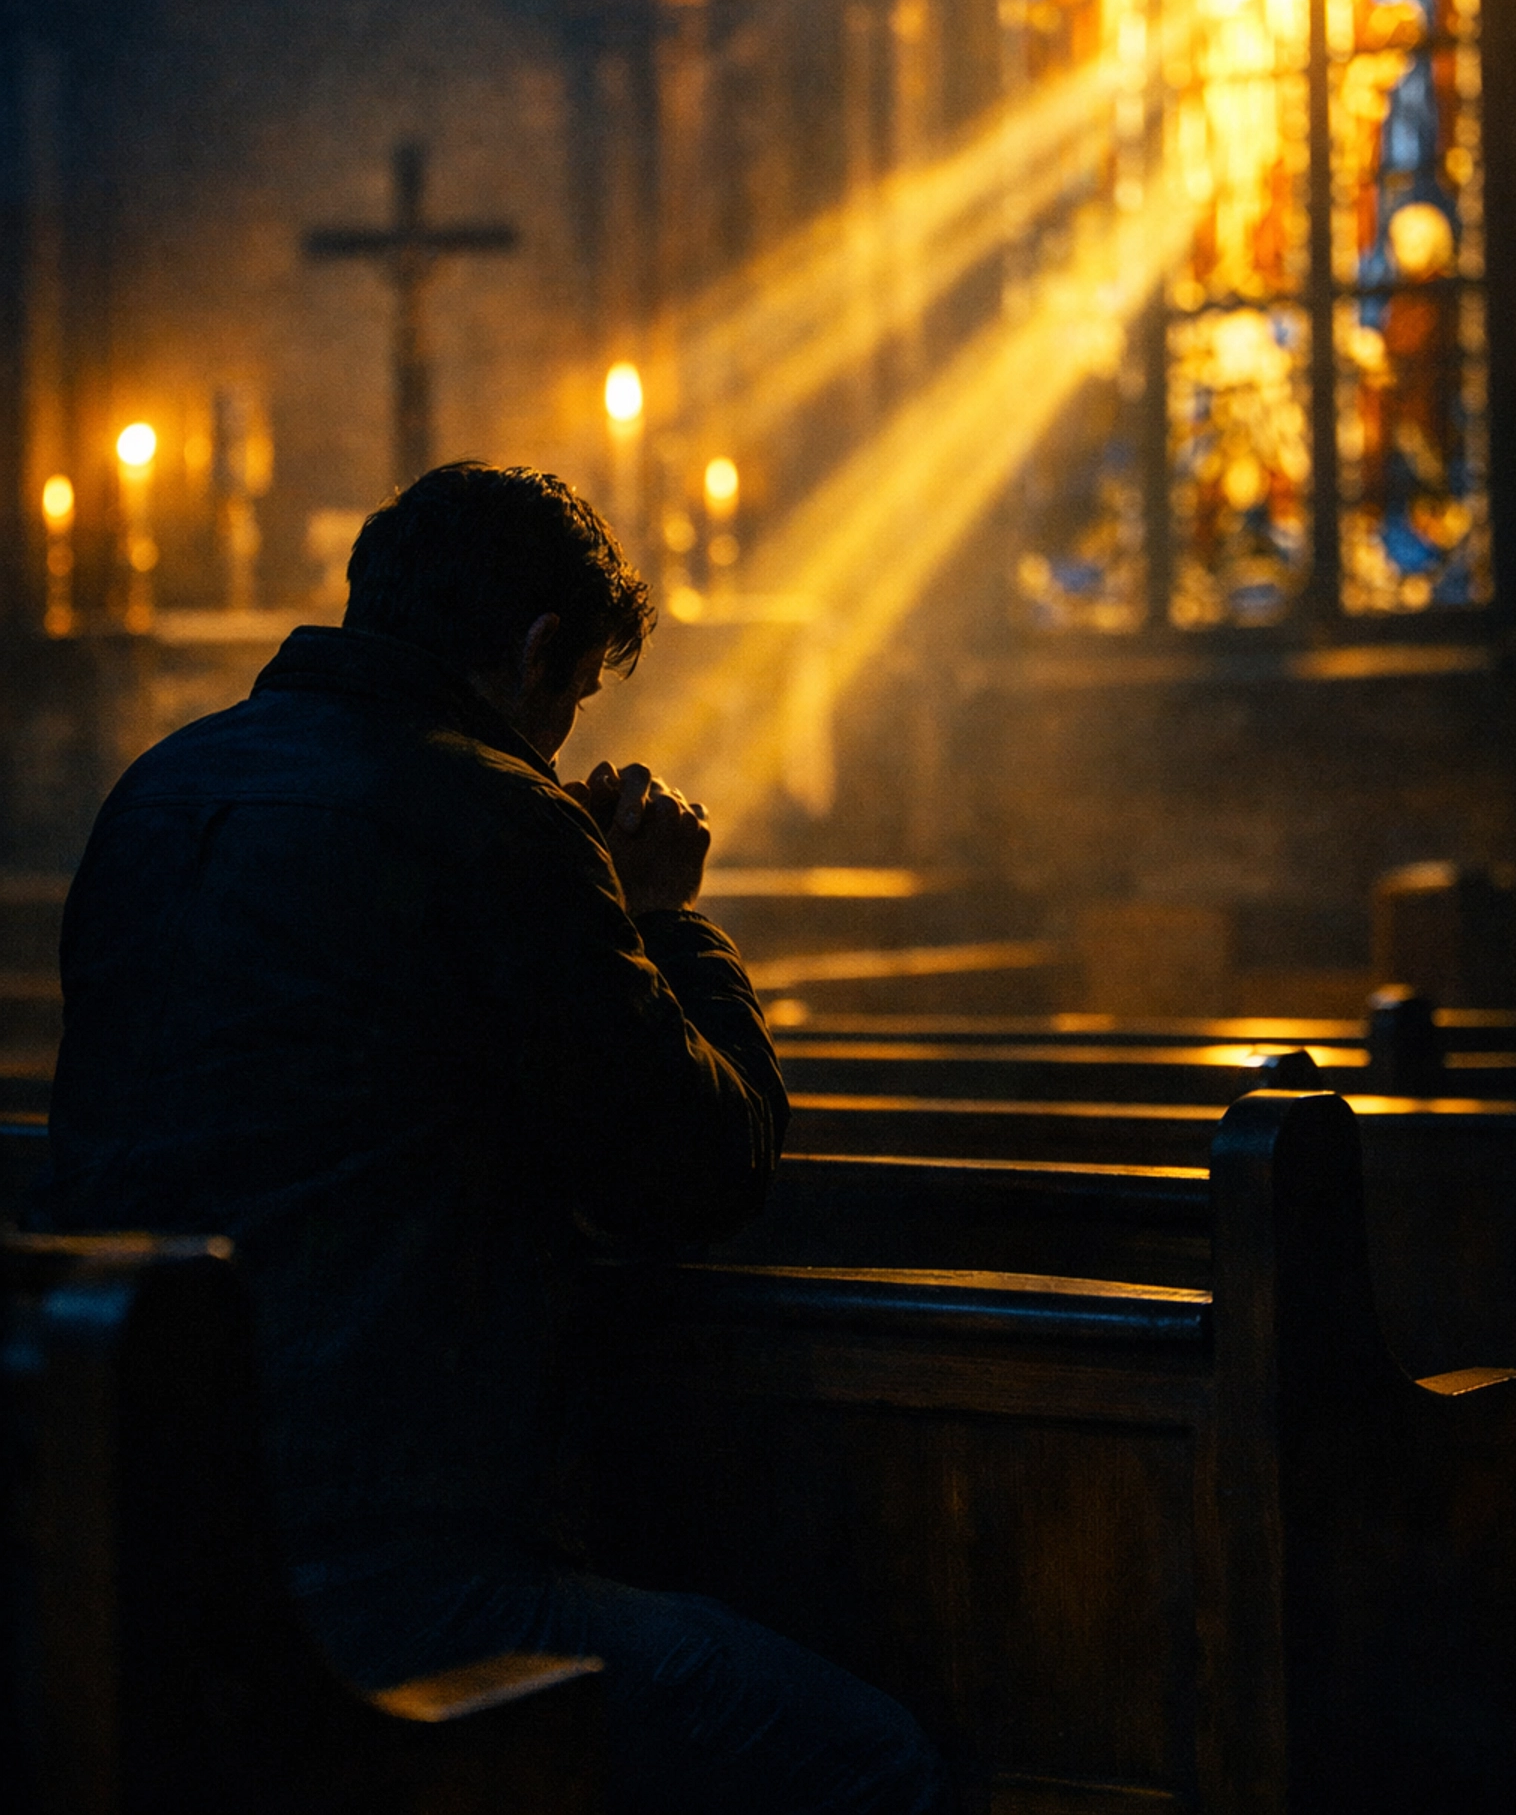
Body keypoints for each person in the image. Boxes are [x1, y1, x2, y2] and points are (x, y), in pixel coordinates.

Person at [32, 462, 950, 1815]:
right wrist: (665, 917)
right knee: (877, 1768)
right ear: (535, 655)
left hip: (124, 1544)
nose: (562, 743)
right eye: (571, 702)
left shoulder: (157, 791)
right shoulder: (500, 815)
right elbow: (702, 1169)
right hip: (383, 1576)